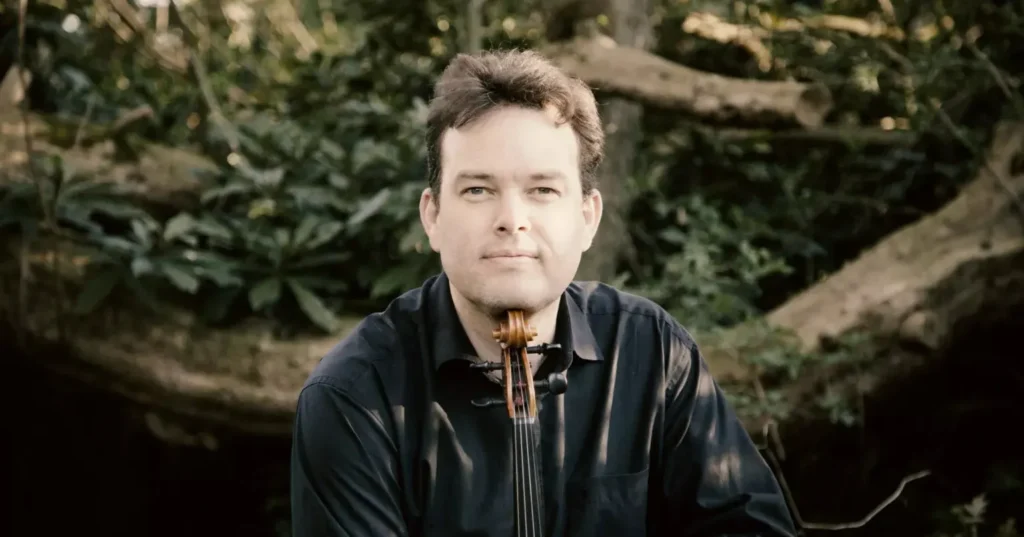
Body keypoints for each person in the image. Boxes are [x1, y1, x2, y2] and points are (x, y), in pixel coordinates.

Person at [290, 48, 798, 537]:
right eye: (477, 190)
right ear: (433, 217)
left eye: (542, 190)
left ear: (587, 218)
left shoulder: (653, 352)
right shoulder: (353, 396)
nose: (513, 221)